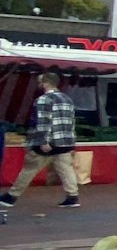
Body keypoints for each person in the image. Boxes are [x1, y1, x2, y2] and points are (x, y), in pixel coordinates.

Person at [1, 73, 82, 210]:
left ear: (46, 83)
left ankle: (11, 197)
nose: (38, 85)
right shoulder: (67, 99)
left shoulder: (43, 100)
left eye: (40, 82)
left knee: (30, 168)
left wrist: (43, 141)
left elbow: (43, 122)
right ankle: (72, 196)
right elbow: (71, 122)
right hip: (65, 141)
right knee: (66, 169)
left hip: (48, 142)